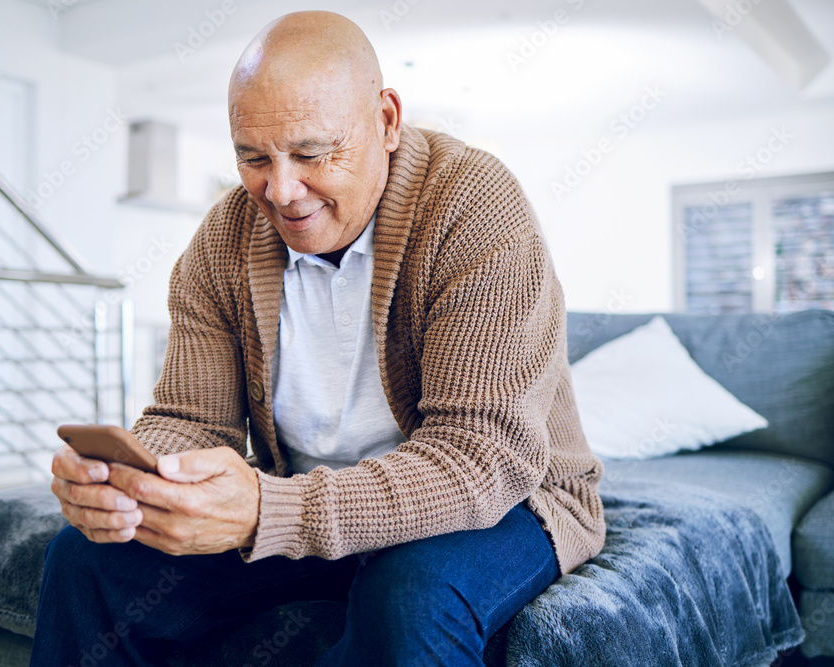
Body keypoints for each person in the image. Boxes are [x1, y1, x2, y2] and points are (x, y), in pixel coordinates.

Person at [31, 10, 605, 666]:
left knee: (408, 592)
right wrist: (131, 479)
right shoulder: (223, 239)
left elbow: (480, 460)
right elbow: (190, 419)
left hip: (509, 499)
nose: (281, 190)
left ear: (387, 120)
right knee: (89, 559)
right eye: (254, 157)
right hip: (307, 496)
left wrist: (268, 511)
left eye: (312, 153)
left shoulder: (474, 209)